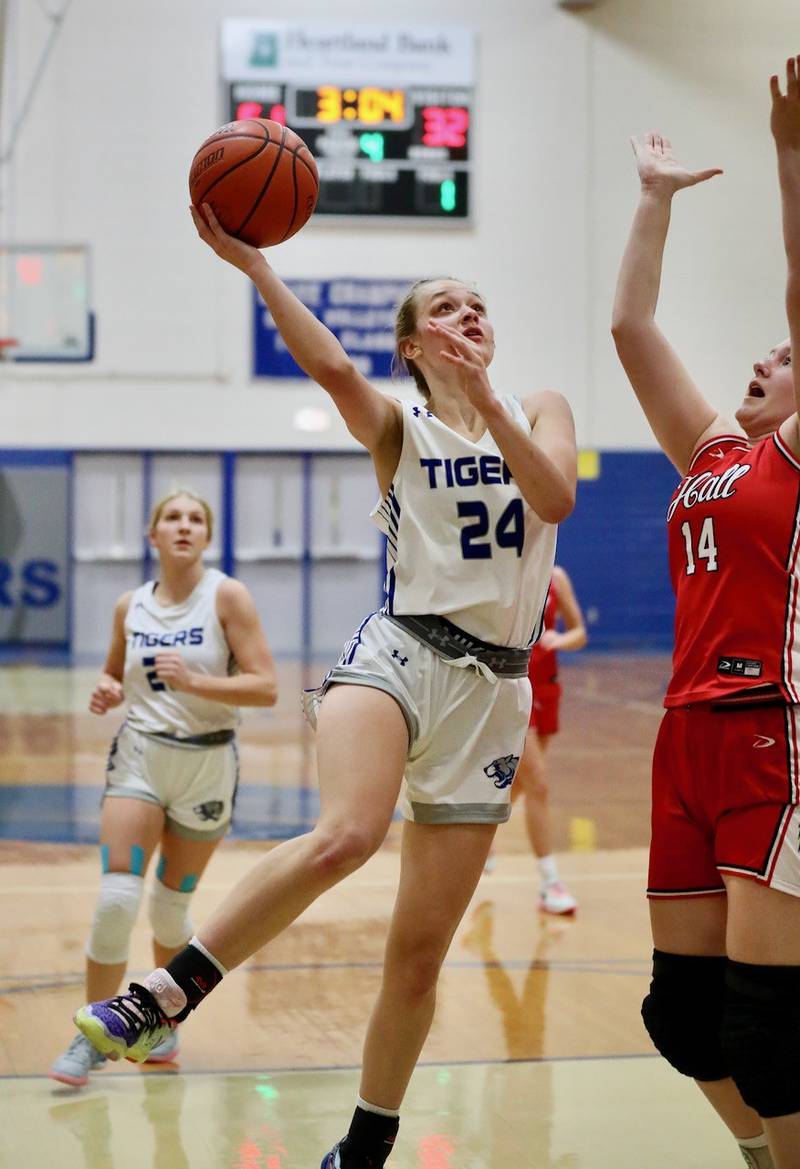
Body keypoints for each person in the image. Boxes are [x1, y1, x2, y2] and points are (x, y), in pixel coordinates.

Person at [72, 203, 576, 1168]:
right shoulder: (397, 423)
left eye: (480, 305)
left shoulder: (541, 406)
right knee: (348, 833)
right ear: (410, 344)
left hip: (494, 692)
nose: (471, 315)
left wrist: (493, 401)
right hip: (398, 654)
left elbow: (555, 498)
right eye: (447, 308)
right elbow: (333, 369)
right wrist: (257, 269)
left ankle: (366, 1145)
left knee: (419, 954)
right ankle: (158, 996)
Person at [611, 58, 800, 1169]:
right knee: (680, 1020)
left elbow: (797, 293)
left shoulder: (789, 456)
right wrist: (652, 200)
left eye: (782, 355)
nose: (762, 357)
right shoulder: (714, 451)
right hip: (682, 733)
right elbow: (633, 329)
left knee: (767, 1024)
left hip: (770, 727)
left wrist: (786, 158)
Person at [49, 489, 278, 1087]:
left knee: (171, 909)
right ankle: (91, 1036)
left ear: (207, 536)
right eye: (172, 518)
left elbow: (265, 687)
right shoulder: (131, 606)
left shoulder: (226, 596)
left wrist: (199, 683)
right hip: (141, 757)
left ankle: (157, 1019)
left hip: (206, 766)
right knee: (115, 901)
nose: (184, 526)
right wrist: (107, 689)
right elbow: (115, 670)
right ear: (153, 535)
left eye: (195, 519)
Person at [512, 565, 587, 914]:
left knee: (523, 785)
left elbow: (579, 633)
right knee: (538, 782)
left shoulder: (556, 578)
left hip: (546, 686)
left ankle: (479, 839)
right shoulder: (503, 568)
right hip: (514, 686)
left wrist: (559, 639)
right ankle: (549, 883)